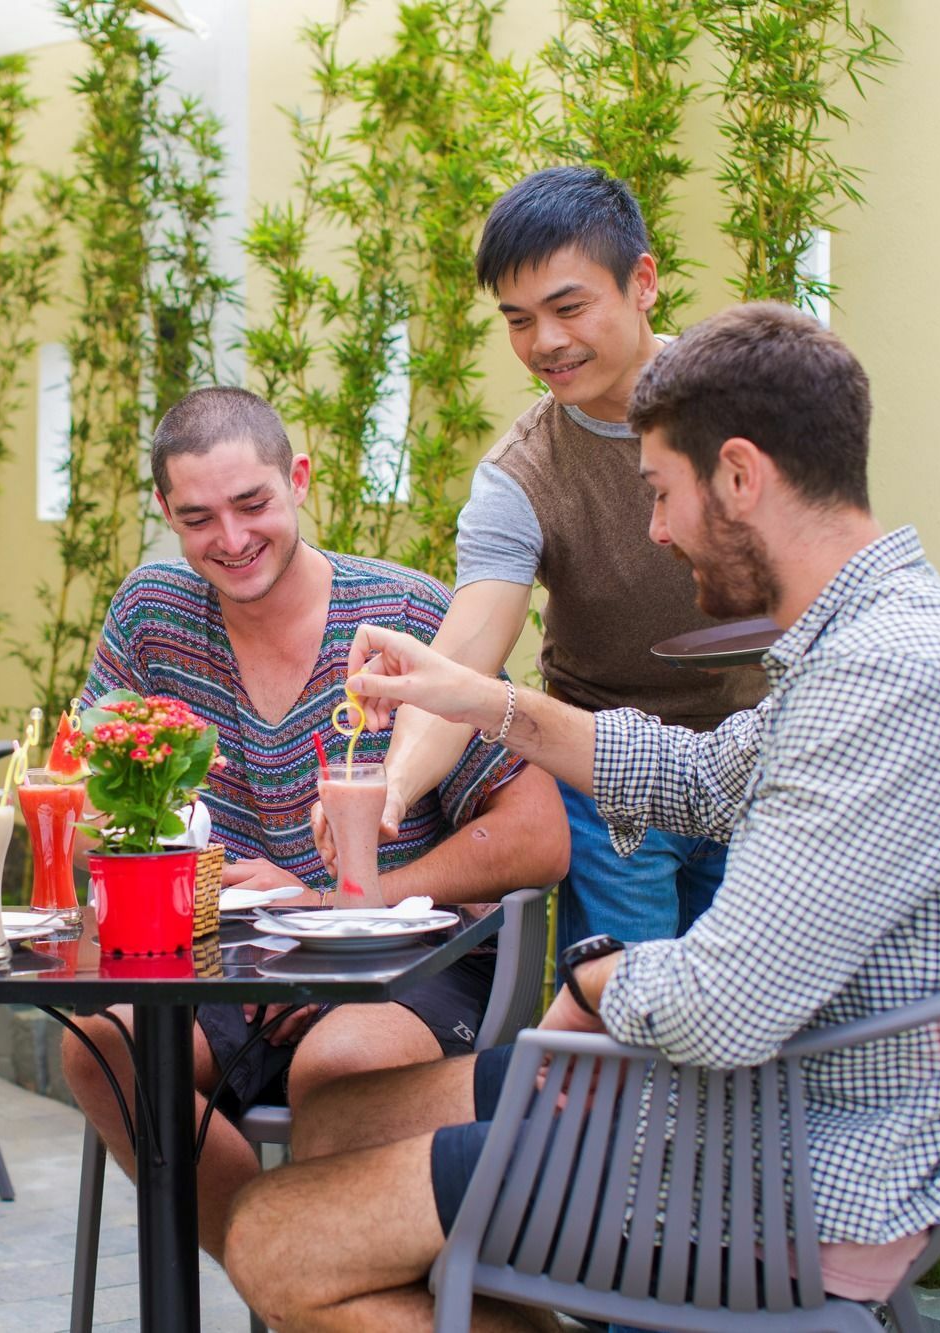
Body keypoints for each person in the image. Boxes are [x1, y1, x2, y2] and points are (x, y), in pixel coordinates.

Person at [221, 305, 940, 1331]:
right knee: (344, 1113)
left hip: (776, 1169)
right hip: (740, 1108)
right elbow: (699, 777)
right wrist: (472, 697)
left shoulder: (892, 680)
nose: (657, 530)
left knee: (273, 1232)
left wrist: (589, 968)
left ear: (739, 476)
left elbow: (717, 1005)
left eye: (661, 492)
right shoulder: (873, 642)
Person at [59, 386, 570, 1260]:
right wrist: (178, 854)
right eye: (198, 518)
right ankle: (293, 1281)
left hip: (415, 960)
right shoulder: (153, 614)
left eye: (252, 503)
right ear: (165, 514)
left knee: (339, 1068)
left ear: (298, 478)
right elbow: (79, 806)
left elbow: (540, 834)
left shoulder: (406, 616)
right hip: (233, 962)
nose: (230, 538)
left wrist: (339, 901)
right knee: (103, 1047)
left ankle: (314, 1271)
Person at [380, 165, 769, 956]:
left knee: (752, 1023)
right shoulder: (519, 475)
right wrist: (389, 787)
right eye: (519, 320)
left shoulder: (750, 400)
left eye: (569, 307)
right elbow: (465, 648)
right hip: (608, 781)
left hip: (758, 755)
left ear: (643, 283)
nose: (546, 343)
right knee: (620, 1026)